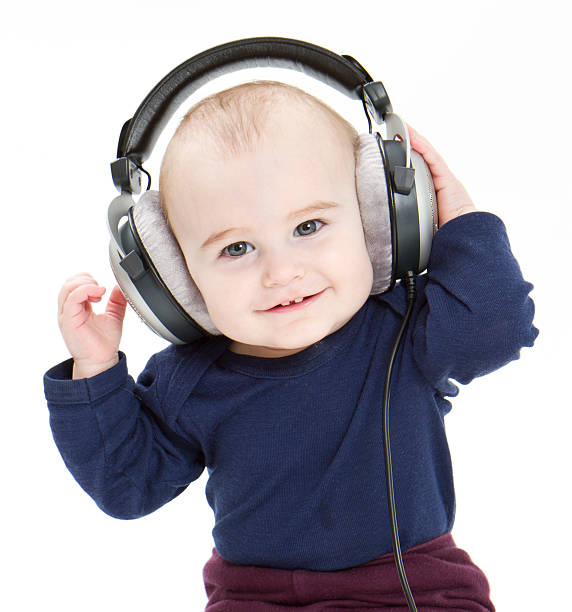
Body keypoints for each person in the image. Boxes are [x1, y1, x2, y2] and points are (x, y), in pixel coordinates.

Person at [44, 81, 538, 611]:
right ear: (175, 280)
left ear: (381, 221)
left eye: (309, 226)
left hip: (413, 590)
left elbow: (496, 329)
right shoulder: (187, 380)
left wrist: (460, 220)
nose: (282, 273)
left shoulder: (404, 330)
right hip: (254, 597)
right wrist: (94, 372)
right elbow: (128, 486)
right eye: (237, 248)